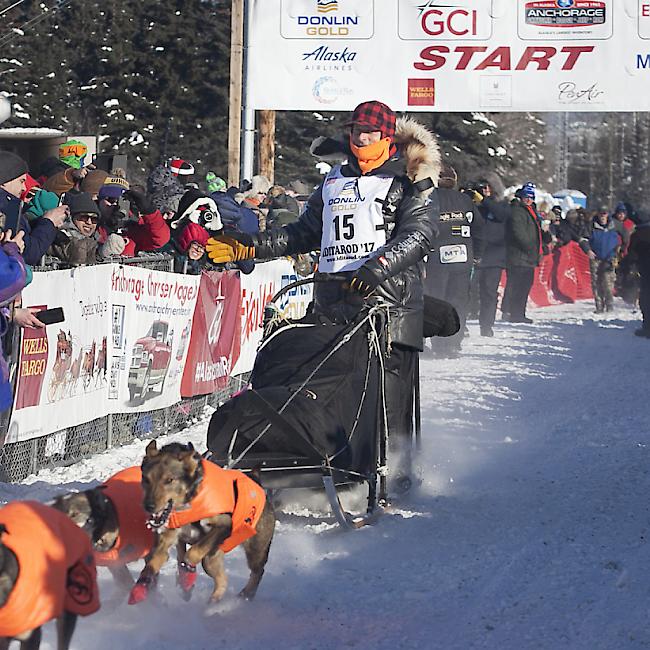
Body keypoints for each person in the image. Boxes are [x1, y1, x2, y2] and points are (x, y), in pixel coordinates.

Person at [206, 100, 440, 491]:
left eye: (368, 131)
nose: (360, 137)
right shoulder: (334, 179)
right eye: (355, 130)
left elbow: (419, 234)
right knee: (327, 385)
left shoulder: (408, 178)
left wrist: (375, 270)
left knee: (385, 397)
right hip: (334, 302)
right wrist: (247, 246)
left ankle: (395, 477)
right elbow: (301, 232)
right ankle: (329, 463)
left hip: (388, 306)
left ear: (387, 136)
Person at [423, 164, 479, 357]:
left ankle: (439, 343)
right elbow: (480, 229)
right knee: (459, 301)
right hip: (462, 260)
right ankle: (453, 343)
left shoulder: (429, 199)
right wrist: (477, 254)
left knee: (437, 300)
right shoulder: (465, 200)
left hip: (436, 260)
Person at [0, 151, 67, 265]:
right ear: (5, 180)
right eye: (21, 181)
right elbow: (29, 254)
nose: (23, 188)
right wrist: (49, 222)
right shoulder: (7, 208)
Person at [472, 179, 511, 337]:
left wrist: (486, 200)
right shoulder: (476, 206)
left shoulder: (502, 205)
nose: (484, 190)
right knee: (469, 291)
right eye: (482, 188)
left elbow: (501, 216)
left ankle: (486, 324)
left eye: (487, 188)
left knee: (489, 292)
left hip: (494, 257)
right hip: (476, 254)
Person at [503, 182, 542, 324]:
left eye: (531, 197)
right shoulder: (517, 211)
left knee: (524, 286)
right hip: (519, 256)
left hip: (528, 257)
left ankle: (519, 312)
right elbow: (518, 233)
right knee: (517, 286)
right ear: (521, 197)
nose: (529, 200)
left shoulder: (531, 211)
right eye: (526, 197)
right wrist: (530, 247)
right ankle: (514, 313)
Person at [587, 210, 621, 313]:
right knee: (596, 282)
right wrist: (588, 250)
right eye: (601, 214)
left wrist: (620, 249)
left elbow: (627, 235)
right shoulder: (592, 226)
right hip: (596, 258)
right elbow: (583, 238)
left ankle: (609, 305)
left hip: (609, 258)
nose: (602, 216)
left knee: (607, 282)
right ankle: (599, 306)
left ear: (607, 215)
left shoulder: (614, 225)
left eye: (604, 214)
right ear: (597, 214)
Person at [625, 209, 650, 337]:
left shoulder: (638, 235)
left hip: (646, 272)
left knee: (646, 299)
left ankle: (647, 327)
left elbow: (632, 254)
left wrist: (626, 266)